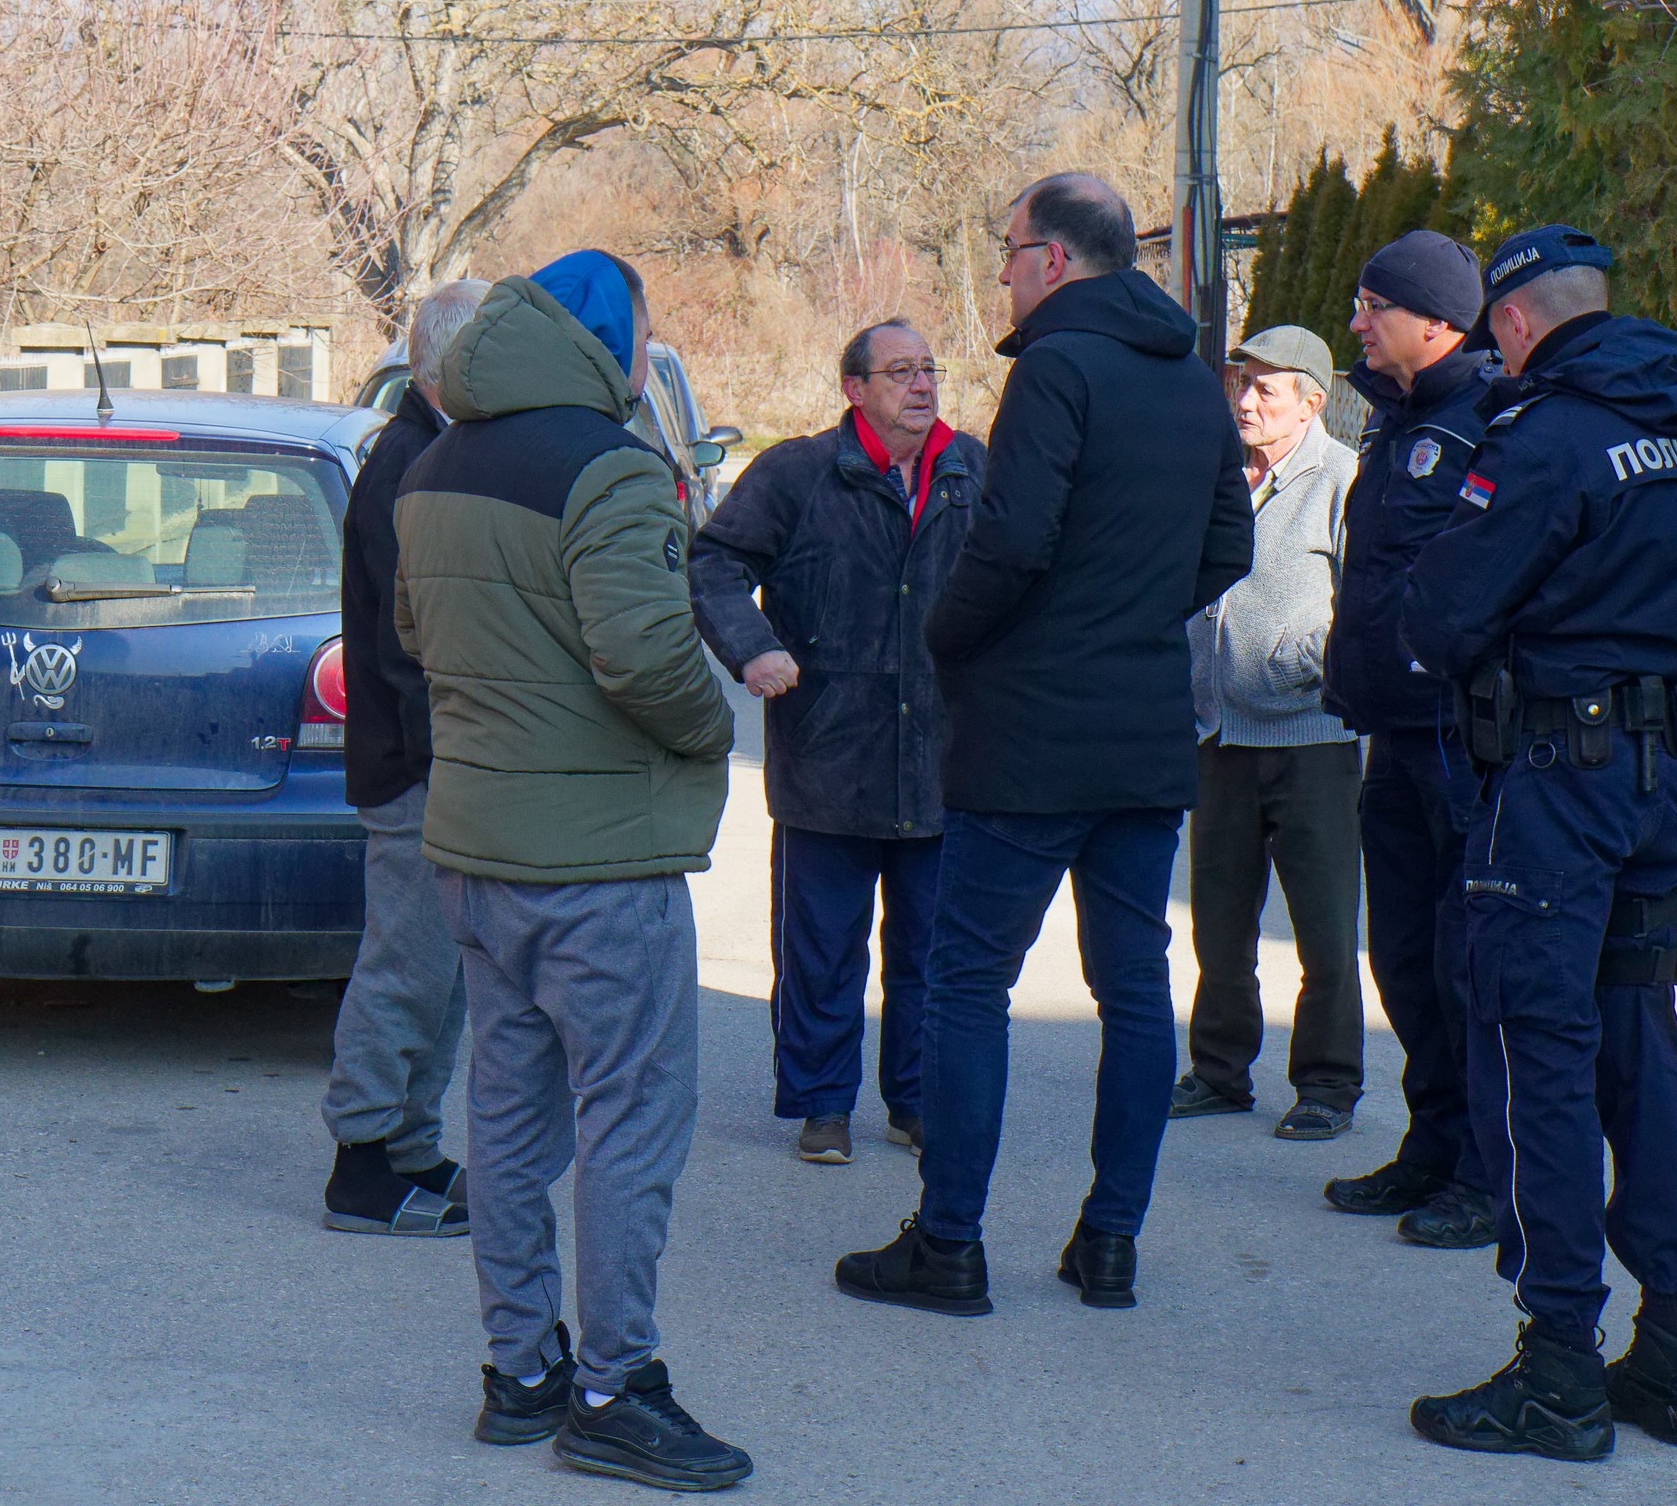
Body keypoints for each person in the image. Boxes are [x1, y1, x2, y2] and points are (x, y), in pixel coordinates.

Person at [833, 172, 1253, 1315]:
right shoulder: (1193, 380)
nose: (1004, 269)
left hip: (1029, 728)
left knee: (968, 982)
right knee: (1134, 987)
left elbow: (1010, 541)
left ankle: (951, 1242)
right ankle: (1109, 1239)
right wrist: (1135, 606)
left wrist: (947, 639)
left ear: (1057, 259)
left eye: (1010, 248)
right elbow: (1230, 545)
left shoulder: (1058, 368)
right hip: (1142, 725)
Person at [393, 250, 751, 1491]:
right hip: (599, 863)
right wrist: (717, 731)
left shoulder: (435, 463)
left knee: (506, 1115)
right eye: (647, 327)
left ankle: (520, 1372)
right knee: (630, 1123)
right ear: (609, 340)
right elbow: (649, 660)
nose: (653, 347)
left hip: (478, 855)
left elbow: (411, 633)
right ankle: (614, 1386)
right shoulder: (610, 467)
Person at [1397, 225, 1677, 1461]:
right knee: (1640, 1045)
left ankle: (1557, 1366)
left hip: (1557, 781)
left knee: (1540, 1048)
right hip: (1668, 776)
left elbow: (1441, 611)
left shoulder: (1545, 435)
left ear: (1515, 321)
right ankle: (1673, 1350)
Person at [689, 318, 987, 1165]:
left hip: (943, 760)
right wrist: (751, 649)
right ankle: (824, 1106)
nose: (922, 385)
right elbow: (711, 566)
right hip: (828, 758)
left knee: (932, 951)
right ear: (854, 388)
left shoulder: (969, 468)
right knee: (821, 951)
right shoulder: (796, 472)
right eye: (900, 372)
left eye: (929, 369)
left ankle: (917, 1102)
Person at [1317, 229, 1501, 1249]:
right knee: (1402, 954)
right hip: (1391, 732)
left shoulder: (1488, 424)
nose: (1357, 321)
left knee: (1465, 959)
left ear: (1435, 319)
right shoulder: (1397, 423)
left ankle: (1484, 1171)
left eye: (1371, 304)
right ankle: (1431, 1145)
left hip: (1456, 740)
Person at [319, 280, 492, 1238]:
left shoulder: (429, 451)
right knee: (407, 967)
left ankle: (411, 1146)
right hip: (416, 766)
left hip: (434, 762)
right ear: (450, 366)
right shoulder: (407, 465)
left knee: (441, 972)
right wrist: (456, 758)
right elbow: (408, 646)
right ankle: (362, 1162)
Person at [1171, 325, 1364, 1142]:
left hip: (1311, 740)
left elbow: (1369, 603)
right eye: (1240, 384)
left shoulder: (1344, 481)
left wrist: (1304, 658)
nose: (1244, 402)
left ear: (1311, 402)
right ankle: (1218, 1069)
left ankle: (1326, 1083)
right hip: (1217, 737)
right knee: (1218, 921)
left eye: (1265, 389)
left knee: (1324, 929)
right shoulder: (1213, 474)